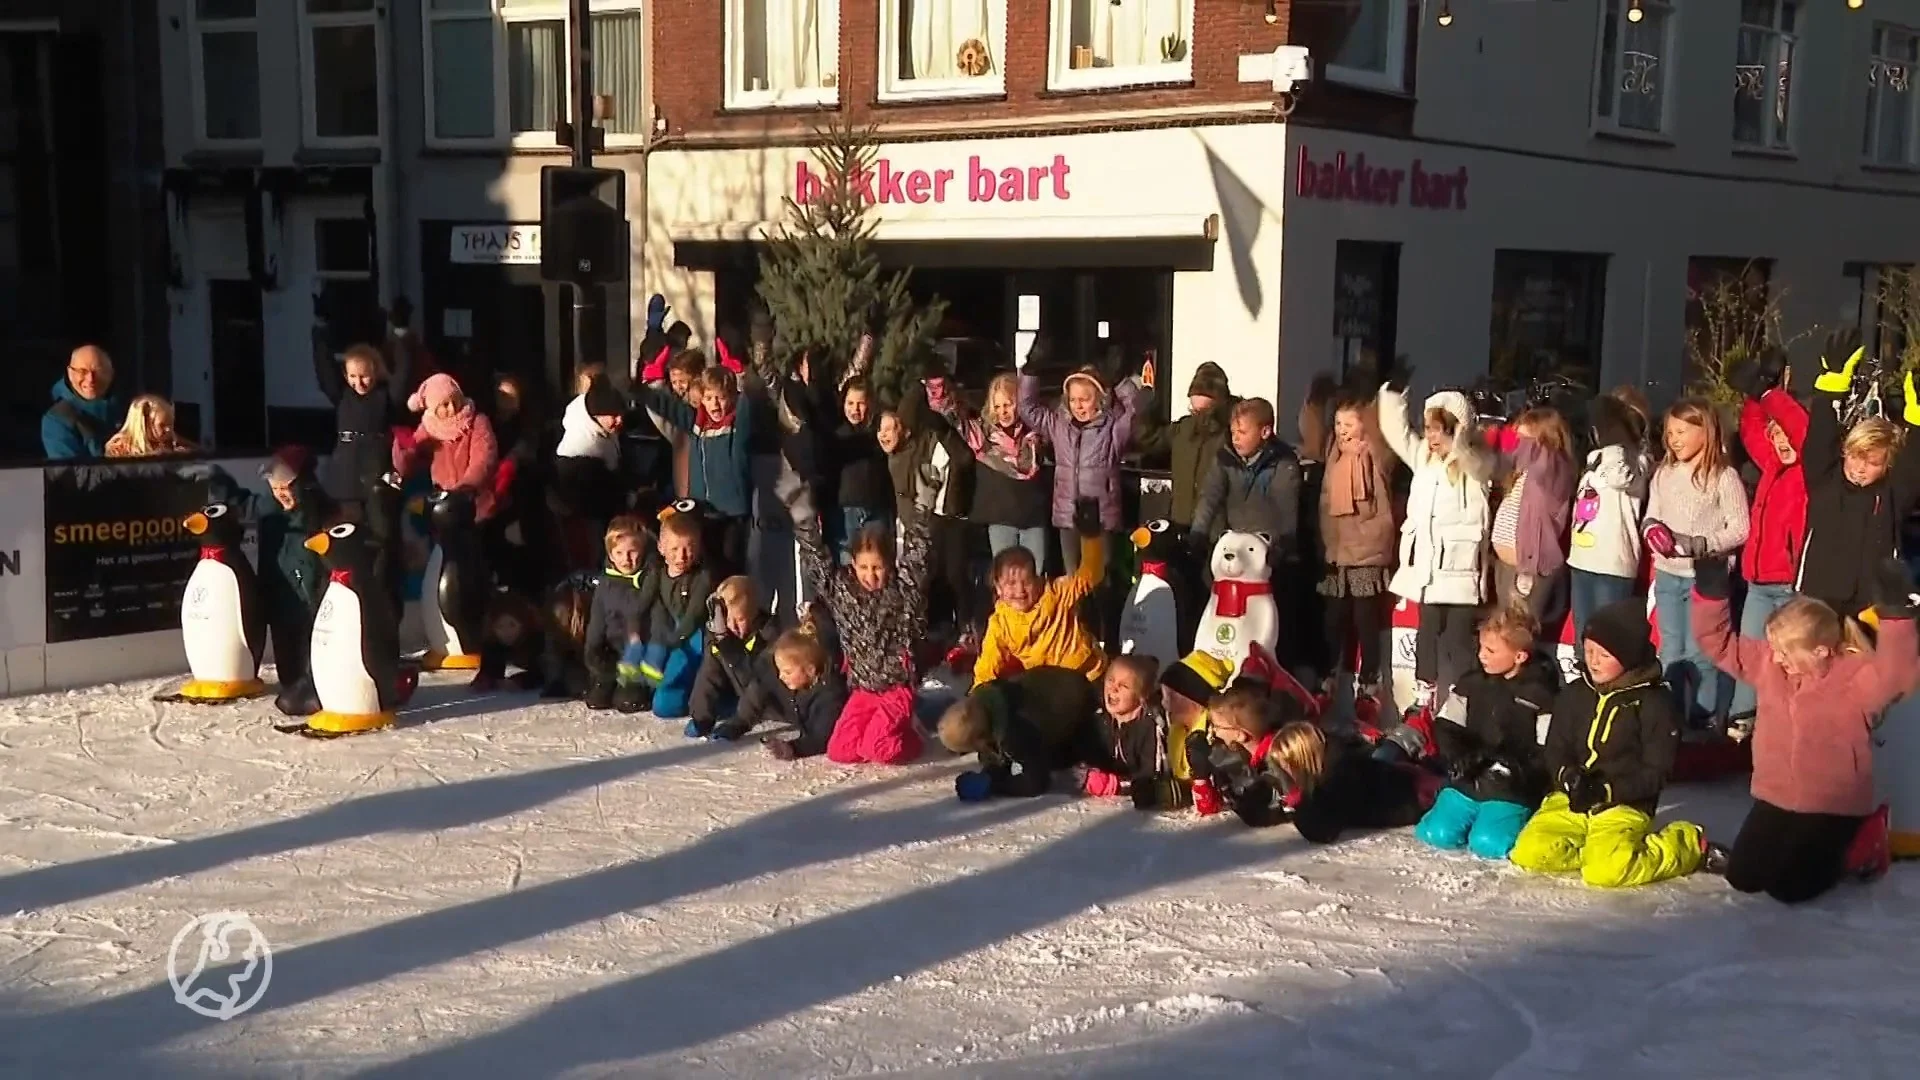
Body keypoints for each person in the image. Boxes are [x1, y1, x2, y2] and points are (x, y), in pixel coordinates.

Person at [1690, 555, 1912, 902]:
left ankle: (1862, 843)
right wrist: (1711, 595)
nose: (1775, 658)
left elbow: (1898, 672)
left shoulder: (1856, 678)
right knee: (1743, 878)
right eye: (1774, 648)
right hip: (1776, 797)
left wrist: (1897, 613)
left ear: (1821, 650)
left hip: (1831, 806)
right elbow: (1719, 645)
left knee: (1789, 888)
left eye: (1784, 651)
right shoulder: (1771, 666)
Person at [1508, 599, 1706, 888]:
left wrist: (1605, 791)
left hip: (1623, 802)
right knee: (1528, 851)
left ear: (1627, 657)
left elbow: (1657, 772)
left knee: (1606, 872)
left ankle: (1687, 844)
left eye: (1603, 654)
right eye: (1588, 651)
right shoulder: (1576, 692)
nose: (1593, 661)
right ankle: (1595, 849)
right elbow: (1555, 747)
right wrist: (1568, 776)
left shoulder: (1654, 703)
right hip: (1571, 799)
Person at [777, 464, 931, 766]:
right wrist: (802, 514)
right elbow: (816, 558)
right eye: (863, 567)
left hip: (896, 689)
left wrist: (923, 507)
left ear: (889, 565)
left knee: (878, 749)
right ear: (853, 564)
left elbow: (918, 555)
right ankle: (881, 728)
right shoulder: (842, 591)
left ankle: (913, 737)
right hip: (863, 689)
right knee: (842, 751)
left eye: (877, 568)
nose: (870, 575)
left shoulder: (902, 592)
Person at [1376, 363, 1494, 711]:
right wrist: (1394, 395)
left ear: (1456, 430)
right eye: (1427, 429)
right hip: (1428, 568)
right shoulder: (1423, 460)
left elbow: (1476, 460)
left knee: (1459, 639)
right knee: (1426, 633)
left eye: (1438, 430)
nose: (1430, 437)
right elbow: (1396, 432)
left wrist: (1458, 438)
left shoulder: (1473, 463)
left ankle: (1463, 696)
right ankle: (1424, 694)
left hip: (1459, 568)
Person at [1413, 609, 1562, 859]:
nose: (1482, 655)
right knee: (1436, 833)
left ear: (1520, 656)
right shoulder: (1470, 683)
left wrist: (1510, 766)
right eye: (1481, 647)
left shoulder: (1541, 695)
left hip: (1511, 786)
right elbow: (1447, 726)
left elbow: (1546, 750)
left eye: (1491, 651)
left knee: (1488, 843)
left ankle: (1519, 819)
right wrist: (1459, 758)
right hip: (1468, 778)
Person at [1797, 328, 1920, 623]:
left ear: (1887, 465)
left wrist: (1916, 420)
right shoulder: (1826, 481)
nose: (1860, 467)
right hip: (1819, 596)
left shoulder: (1891, 494)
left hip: (1868, 602)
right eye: (1855, 457)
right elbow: (1818, 442)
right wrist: (1831, 388)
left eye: (1872, 462)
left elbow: (1913, 468)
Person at [1643, 397, 1748, 725]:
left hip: (1706, 579)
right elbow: (1651, 514)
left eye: (1681, 431)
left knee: (1701, 652)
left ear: (1706, 431)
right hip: (1668, 574)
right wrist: (1652, 531)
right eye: (1669, 432)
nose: (1673, 439)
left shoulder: (1723, 477)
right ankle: (1672, 722)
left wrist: (1702, 545)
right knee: (1672, 651)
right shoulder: (1664, 473)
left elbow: (1740, 528)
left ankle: (1702, 721)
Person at [1727, 347, 1810, 733]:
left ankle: (1785, 721)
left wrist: (1769, 396)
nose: (1780, 442)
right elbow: (1751, 430)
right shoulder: (1773, 466)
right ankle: (1741, 718)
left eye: (1784, 436)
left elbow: (1799, 427)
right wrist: (1755, 393)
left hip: (1791, 582)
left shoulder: (1808, 470)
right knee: (1752, 651)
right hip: (1759, 581)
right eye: (1774, 436)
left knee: (1789, 656)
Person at [1314, 389, 1398, 704]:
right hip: (1337, 548)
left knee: (1365, 617)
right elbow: (1312, 432)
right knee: (1333, 616)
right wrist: (1315, 403)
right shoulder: (1333, 454)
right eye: (1338, 423)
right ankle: (1330, 674)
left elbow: (1379, 428)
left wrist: (1383, 397)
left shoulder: (1374, 453)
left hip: (1367, 548)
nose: (1342, 430)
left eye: (1349, 423)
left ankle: (1369, 679)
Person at [1018, 365, 1143, 574]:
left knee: (1098, 580)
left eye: (1084, 399)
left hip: (1100, 517)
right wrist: (1031, 371)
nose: (1078, 405)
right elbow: (1026, 407)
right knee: (1072, 579)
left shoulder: (1112, 427)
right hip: (1068, 515)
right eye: (1073, 399)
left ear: (1099, 399)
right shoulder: (1058, 424)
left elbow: (1137, 412)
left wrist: (1120, 381)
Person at [973, 500, 1107, 686]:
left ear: (1038, 579)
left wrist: (1091, 537)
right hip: (1048, 685)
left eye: (1027, 582)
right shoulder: (1000, 623)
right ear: (999, 588)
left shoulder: (1057, 593)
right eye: (1011, 584)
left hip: (1086, 675)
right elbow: (988, 665)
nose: (1020, 590)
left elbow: (1091, 575)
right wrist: (977, 696)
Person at [637, 364, 755, 573]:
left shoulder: (738, 425)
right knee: (704, 564)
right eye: (709, 398)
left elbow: (748, 403)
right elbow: (667, 406)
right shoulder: (696, 422)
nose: (715, 404)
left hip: (731, 513)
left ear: (732, 398)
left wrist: (742, 379)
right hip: (701, 509)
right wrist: (641, 390)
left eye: (721, 397)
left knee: (730, 565)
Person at [942, 665, 1105, 800]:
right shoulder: (991, 703)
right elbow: (993, 751)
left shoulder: (1015, 732)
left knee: (1056, 760)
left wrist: (997, 786)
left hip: (1080, 712)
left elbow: (1035, 783)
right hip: (1055, 687)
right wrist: (990, 775)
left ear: (979, 741)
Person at [882, 397, 974, 633]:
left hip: (951, 515)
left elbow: (960, 461)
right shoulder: (907, 449)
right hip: (923, 517)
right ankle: (933, 625)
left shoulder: (942, 438)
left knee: (954, 574)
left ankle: (965, 626)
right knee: (928, 574)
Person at [1270, 721, 1439, 845]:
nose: (1285, 772)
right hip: (1404, 782)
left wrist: (1295, 802)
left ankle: (1416, 730)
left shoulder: (1337, 777)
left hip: (1413, 801)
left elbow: (1320, 830)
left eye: (1286, 766)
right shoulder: (1335, 761)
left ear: (1302, 760)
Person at [1566, 395, 1651, 641]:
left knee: (1608, 640)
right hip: (1582, 559)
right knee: (1583, 634)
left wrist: (1616, 443)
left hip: (1612, 563)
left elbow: (1620, 479)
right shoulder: (1597, 458)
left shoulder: (1638, 462)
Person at [1491, 407, 1575, 633]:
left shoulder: (1553, 468)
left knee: (1521, 632)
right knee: (1504, 632)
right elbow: (1502, 450)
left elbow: (1523, 449)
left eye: (1524, 438)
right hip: (1506, 564)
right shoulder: (1523, 470)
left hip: (1529, 567)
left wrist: (1503, 436)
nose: (1517, 441)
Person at [1189, 398, 1303, 558]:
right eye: (1233, 432)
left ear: (1265, 432)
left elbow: (1287, 507)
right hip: (1232, 544)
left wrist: (1286, 546)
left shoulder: (1282, 462)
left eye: (1242, 433)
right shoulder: (1225, 458)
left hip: (1267, 548)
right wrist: (1198, 534)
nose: (1235, 439)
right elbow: (1209, 497)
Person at [629, 509, 714, 719]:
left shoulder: (702, 576)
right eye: (674, 549)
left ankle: (695, 698)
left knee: (664, 706)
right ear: (661, 548)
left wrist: (672, 643)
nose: (681, 556)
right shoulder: (657, 572)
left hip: (693, 635)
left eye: (689, 548)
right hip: (670, 629)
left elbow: (693, 616)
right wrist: (633, 630)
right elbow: (641, 604)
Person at [1078, 655, 1190, 809]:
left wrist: (1126, 785)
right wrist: (1091, 774)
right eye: (1110, 680)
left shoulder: (1149, 726)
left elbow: (1152, 773)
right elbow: (1085, 754)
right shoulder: (1100, 717)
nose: (1113, 688)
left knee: (1145, 795)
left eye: (1123, 686)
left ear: (1141, 697)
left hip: (1153, 777)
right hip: (1120, 775)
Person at [965, 372, 1050, 568]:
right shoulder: (984, 437)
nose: (1003, 411)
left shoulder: (1036, 434)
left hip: (1033, 518)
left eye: (1008, 404)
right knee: (1005, 576)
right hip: (1001, 518)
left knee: (1035, 573)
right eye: (998, 406)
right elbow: (952, 414)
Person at [1142, 361, 1234, 535]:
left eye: (1205, 411)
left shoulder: (1232, 432)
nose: (1198, 417)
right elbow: (1149, 439)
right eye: (1194, 410)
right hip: (1181, 522)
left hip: (1218, 528)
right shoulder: (1184, 428)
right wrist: (1146, 411)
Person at [395, 373, 500, 521]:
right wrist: (404, 454)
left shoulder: (477, 422)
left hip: (474, 500)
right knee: (414, 512)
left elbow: (484, 459)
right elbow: (414, 461)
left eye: (454, 400)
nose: (451, 407)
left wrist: (464, 489)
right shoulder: (428, 428)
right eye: (444, 404)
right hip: (441, 501)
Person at [686, 575, 780, 740]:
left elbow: (757, 682)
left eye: (740, 619)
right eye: (728, 619)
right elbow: (709, 673)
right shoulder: (720, 632)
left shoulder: (770, 634)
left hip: (768, 705)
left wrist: (738, 723)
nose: (733, 626)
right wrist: (701, 717)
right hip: (736, 694)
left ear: (754, 612)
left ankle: (737, 717)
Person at [584, 515, 650, 712]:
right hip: (612, 653)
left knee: (627, 703)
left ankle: (634, 688)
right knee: (597, 700)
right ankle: (608, 681)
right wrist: (593, 650)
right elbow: (597, 620)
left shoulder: (650, 579)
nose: (626, 559)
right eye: (619, 553)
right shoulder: (606, 583)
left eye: (632, 552)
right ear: (611, 556)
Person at [759, 629, 852, 761]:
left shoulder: (829, 696)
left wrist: (793, 748)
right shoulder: (802, 688)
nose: (781, 677)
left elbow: (823, 737)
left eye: (788, 672)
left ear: (810, 670)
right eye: (780, 671)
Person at [828, 376, 892, 560]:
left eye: (860, 403)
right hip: (847, 512)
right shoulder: (837, 435)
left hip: (877, 508)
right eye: (850, 403)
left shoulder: (879, 434)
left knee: (878, 561)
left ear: (870, 403)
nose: (855, 409)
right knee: (849, 563)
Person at [42, 344, 121, 460]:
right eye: (82, 371)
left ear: (111, 373)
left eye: (98, 371)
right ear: (70, 374)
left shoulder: (131, 408)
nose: (90, 379)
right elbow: (71, 472)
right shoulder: (57, 419)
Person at [104, 394, 194, 458]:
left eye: (170, 424)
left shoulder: (175, 443)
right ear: (143, 423)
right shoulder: (119, 449)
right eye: (162, 425)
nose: (168, 429)